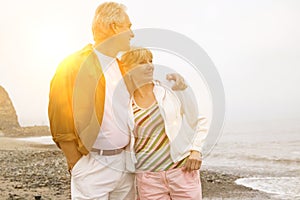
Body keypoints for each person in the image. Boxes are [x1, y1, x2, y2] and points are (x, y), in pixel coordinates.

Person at [48, 2, 186, 200]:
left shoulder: (122, 66)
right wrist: (75, 163)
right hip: (92, 164)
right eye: (128, 27)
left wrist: (174, 81)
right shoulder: (73, 65)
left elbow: (147, 86)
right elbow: (59, 117)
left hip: (125, 164)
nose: (131, 33)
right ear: (114, 27)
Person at [120, 47, 209, 199]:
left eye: (151, 61)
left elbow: (199, 119)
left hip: (182, 171)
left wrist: (196, 150)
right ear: (128, 69)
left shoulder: (170, 89)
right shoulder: (124, 101)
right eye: (142, 62)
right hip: (148, 178)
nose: (150, 66)